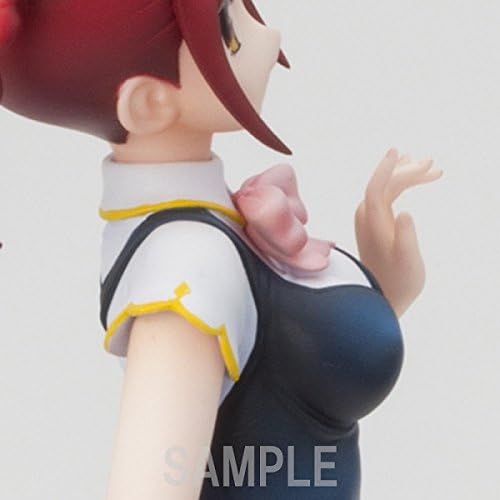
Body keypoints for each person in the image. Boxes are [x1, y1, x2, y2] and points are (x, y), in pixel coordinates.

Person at [0, 1, 442, 498]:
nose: (269, 35)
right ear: (148, 103)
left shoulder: (201, 232)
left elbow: (278, 384)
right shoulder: (186, 265)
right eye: (228, 27)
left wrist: (380, 290)